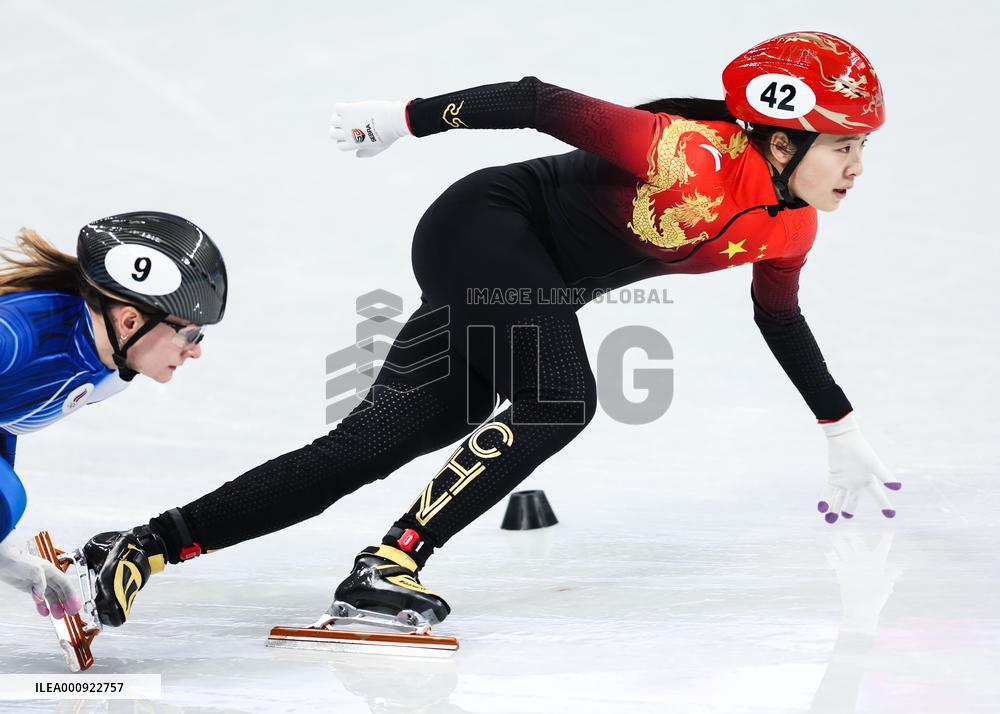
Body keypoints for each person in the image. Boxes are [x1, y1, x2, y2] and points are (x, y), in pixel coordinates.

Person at [83, 31, 901, 629]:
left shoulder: (792, 229)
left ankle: (145, 545)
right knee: (559, 400)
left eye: (862, 147)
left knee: (372, 443)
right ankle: (393, 561)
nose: (858, 167)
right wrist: (406, 118)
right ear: (783, 139)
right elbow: (539, 102)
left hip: (524, 283)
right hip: (484, 226)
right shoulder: (687, 154)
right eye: (843, 147)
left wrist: (840, 427)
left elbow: (778, 317)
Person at [0, 212, 227, 622]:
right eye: (190, 334)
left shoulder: (110, 367)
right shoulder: (15, 337)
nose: (196, 350)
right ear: (130, 322)